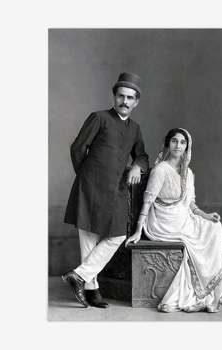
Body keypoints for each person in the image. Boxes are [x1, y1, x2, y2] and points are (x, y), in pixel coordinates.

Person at [125, 128, 222, 313]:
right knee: (205, 234)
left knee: (214, 226)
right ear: (167, 144)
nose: (178, 146)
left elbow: (190, 204)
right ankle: (213, 293)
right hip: (163, 221)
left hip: (182, 216)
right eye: (174, 141)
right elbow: (148, 202)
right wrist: (139, 230)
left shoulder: (188, 172)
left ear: (187, 146)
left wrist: (205, 216)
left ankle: (213, 293)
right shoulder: (161, 170)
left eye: (182, 142)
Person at [62, 72, 149, 308]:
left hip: (116, 191)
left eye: (130, 98)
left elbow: (141, 155)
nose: (125, 101)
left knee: (117, 235)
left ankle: (79, 276)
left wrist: (138, 168)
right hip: (90, 187)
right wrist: (87, 177)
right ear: (114, 96)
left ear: (136, 102)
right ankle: (92, 290)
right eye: (121, 96)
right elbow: (78, 148)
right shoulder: (98, 118)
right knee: (89, 238)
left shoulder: (135, 128)